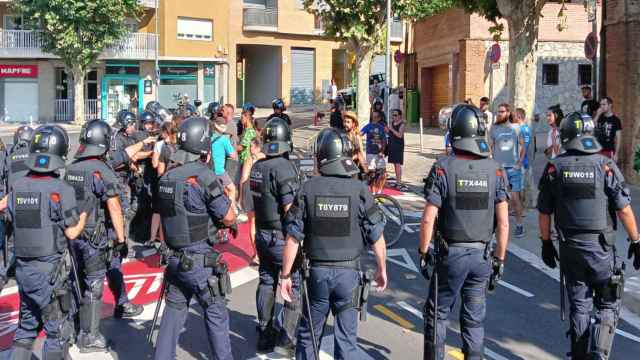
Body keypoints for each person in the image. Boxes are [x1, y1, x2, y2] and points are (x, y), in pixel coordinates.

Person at [537, 111, 640, 359]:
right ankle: (599, 352)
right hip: (601, 248)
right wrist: (636, 240)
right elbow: (624, 209)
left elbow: (544, 211)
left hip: (570, 247)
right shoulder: (605, 165)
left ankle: (581, 354)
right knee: (608, 301)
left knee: (580, 305)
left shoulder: (555, 167)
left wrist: (546, 243)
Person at [280, 127, 388, 360]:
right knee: (346, 341)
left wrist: (285, 275)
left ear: (320, 157)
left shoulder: (308, 189)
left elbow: (293, 238)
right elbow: (377, 236)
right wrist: (382, 269)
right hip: (349, 274)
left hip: (317, 274)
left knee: (309, 336)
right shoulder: (360, 190)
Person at [420, 104, 509, 360]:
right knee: (474, 320)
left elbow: (428, 218)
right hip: (482, 256)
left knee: (437, 314)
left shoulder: (442, 167)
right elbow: (503, 223)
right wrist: (499, 260)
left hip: (451, 255)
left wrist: (423, 252)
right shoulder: (495, 169)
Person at [2, 125, 90, 360]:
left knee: (26, 330)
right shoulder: (61, 189)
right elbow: (71, 233)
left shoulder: (17, 187)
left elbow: (10, 217)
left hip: (23, 269)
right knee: (57, 332)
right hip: (50, 273)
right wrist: (84, 215)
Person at [153, 117, 236, 360]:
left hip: (175, 259)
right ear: (204, 146)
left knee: (174, 312)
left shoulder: (167, 177)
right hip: (199, 260)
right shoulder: (203, 176)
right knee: (216, 311)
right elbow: (228, 216)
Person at [65, 119, 143, 352]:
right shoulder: (101, 171)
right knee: (95, 284)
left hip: (74, 235)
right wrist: (121, 239)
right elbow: (114, 207)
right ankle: (89, 336)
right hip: (95, 237)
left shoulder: (72, 168)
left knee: (75, 281)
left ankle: (73, 327)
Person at [249, 117, 301, 354]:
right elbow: (289, 209)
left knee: (266, 281)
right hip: (280, 235)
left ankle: (264, 332)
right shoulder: (284, 168)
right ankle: (287, 339)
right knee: (294, 283)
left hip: (261, 232)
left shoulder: (258, 167)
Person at [489, 103, 525, 237]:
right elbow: (490, 148)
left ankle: (519, 224)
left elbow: (523, 146)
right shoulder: (493, 128)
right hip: (499, 170)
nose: (499, 114)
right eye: (498, 112)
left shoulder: (516, 128)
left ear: (508, 113)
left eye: (502, 112)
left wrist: (519, 162)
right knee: (499, 199)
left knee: (515, 199)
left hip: (513, 169)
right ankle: (498, 226)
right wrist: (491, 163)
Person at [240, 138, 265, 263]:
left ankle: (257, 254)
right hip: (263, 190)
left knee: (253, 223)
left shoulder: (251, 159)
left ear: (257, 147)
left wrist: (240, 196)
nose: (250, 149)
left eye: (251, 146)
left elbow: (244, 178)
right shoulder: (266, 157)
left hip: (250, 190)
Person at [211, 116, 239, 222]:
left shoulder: (210, 137)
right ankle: (230, 211)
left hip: (210, 171)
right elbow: (233, 155)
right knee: (231, 189)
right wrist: (234, 148)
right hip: (220, 171)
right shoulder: (224, 139)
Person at [361, 110, 387, 193]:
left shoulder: (381, 128)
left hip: (379, 154)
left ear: (379, 118)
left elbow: (384, 141)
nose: (374, 118)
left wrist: (382, 152)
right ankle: (373, 193)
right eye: (373, 117)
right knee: (372, 174)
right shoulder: (368, 126)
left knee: (383, 173)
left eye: (376, 117)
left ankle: (379, 191)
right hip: (370, 153)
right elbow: (360, 134)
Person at [514, 108, 533, 207]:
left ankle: (520, 209)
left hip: (521, 162)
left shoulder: (523, 129)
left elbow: (525, 146)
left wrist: (520, 161)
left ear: (519, 116)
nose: (513, 116)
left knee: (519, 186)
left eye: (515, 115)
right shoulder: (522, 128)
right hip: (520, 161)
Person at [594, 97, 622, 161]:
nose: (601, 107)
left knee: (609, 170)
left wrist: (616, 154)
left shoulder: (616, 120)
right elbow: (591, 128)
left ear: (610, 105)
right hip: (597, 150)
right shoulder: (599, 118)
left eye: (604, 104)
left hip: (609, 151)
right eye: (600, 105)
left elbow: (618, 138)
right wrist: (597, 115)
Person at [386, 108, 407, 191]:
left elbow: (399, 135)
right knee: (394, 164)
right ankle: (397, 181)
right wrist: (387, 130)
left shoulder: (402, 124)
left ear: (399, 116)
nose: (393, 117)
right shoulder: (392, 123)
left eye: (395, 115)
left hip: (398, 145)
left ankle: (399, 183)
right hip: (391, 144)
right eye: (393, 115)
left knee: (397, 164)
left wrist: (391, 129)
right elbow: (390, 133)